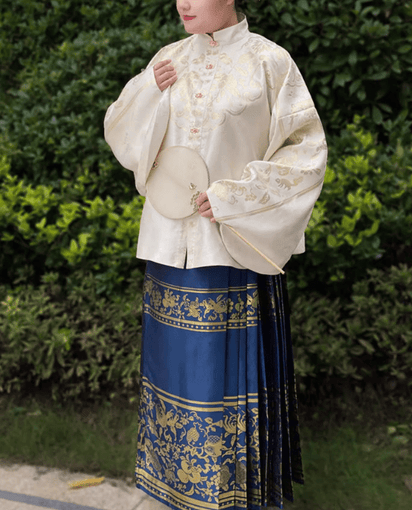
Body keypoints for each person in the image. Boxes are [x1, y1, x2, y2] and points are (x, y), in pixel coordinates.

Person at [104, 0, 327, 508]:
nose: (183, 3)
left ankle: (234, 496)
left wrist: (234, 197)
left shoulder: (270, 61)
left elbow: (305, 152)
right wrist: (146, 90)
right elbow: (121, 131)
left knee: (221, 384)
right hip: (167, 246)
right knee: (171, 376)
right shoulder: (168, 58)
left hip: (231, 247)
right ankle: (174, 492)